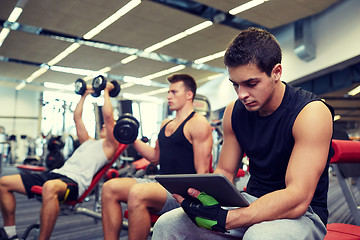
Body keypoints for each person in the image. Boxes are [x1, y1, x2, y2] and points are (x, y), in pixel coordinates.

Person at [152, 27, 334, 240]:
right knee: (168, 224)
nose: (242, 95)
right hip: (250, 200)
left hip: (304, 214)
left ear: (276, 72)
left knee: (259, 236)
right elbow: (225, 173)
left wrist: (227, 218)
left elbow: (298, 198)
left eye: (251, 83)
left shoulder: (310, 112)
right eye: (235, 85)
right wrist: (201, 199)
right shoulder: (234, 111)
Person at [0, 82, 119, 240]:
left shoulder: (110, 146)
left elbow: (109, 117)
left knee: (49, 187)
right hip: (55, 174)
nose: (104, 125)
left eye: (109, 126)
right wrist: (84, 95)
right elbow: (77, 118)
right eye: (103, 125)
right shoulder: (88, 141)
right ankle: (10, 233)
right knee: (4, 182)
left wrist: (105, 91)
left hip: (74, 183)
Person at [101, 74, 213, 240]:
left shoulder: (198, 123)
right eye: (168, 92)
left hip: (180, 192)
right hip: (159, 184)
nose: (168, 96)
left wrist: (195, 205)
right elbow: (155, 157)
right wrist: (131, 139)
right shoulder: (166, 123)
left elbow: (202, 172)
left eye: (174, 92)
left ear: (189, 95)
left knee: (137, 192)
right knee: (109, 188)